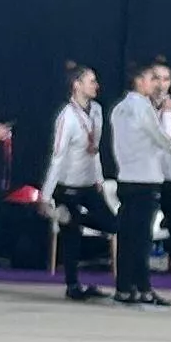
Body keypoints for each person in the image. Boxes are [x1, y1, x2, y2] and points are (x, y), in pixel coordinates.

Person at [110, 58, 171, 303]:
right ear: (139, 81)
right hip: (146, 180)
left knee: (127, 235)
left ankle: (124, 287)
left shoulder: (119, 108)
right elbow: (164, 141)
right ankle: (143, 288)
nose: (156, 84)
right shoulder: (143, 107)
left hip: (126, 177)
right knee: (140, 239)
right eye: (152, 79)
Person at [46, 63, 116, 301]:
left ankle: (71, 216)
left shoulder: (96, 110)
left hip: (89, 184)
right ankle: (72, 285)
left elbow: (94, 149)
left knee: (111, 223)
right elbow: (57, 157)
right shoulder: (66, 117)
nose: (96, 86)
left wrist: (99, 178)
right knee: (72, 237)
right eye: (91, 81)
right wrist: (46, 196)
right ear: (76, 85)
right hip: (68, 186)